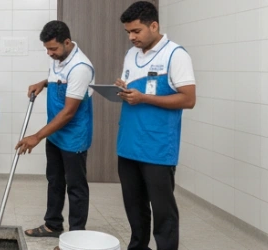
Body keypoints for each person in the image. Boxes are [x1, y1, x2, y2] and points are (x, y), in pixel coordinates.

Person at [114, 2, 196, 249]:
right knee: (134, 206)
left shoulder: (175, 55)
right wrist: (123, 89)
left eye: (136, 31)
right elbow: (135, 88)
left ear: (154, 25)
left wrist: (144, 98)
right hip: (128, 143)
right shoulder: (131, 54)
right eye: (128, 32)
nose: (131, 37)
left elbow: (188, 99)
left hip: (157, 147)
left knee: (163, 211)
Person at [17, 20, 95, 238]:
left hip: (74, 136)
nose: (49, 53)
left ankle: (76, 237)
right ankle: (53, 225)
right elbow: (60, 79)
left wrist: (37, 136)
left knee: (75, 186)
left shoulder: (81, 67)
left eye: (53, 48)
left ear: (67, 42)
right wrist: (43, 83)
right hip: (56, 133)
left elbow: (69, 112)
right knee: (55, 180)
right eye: (47, 49)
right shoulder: (59, 58)